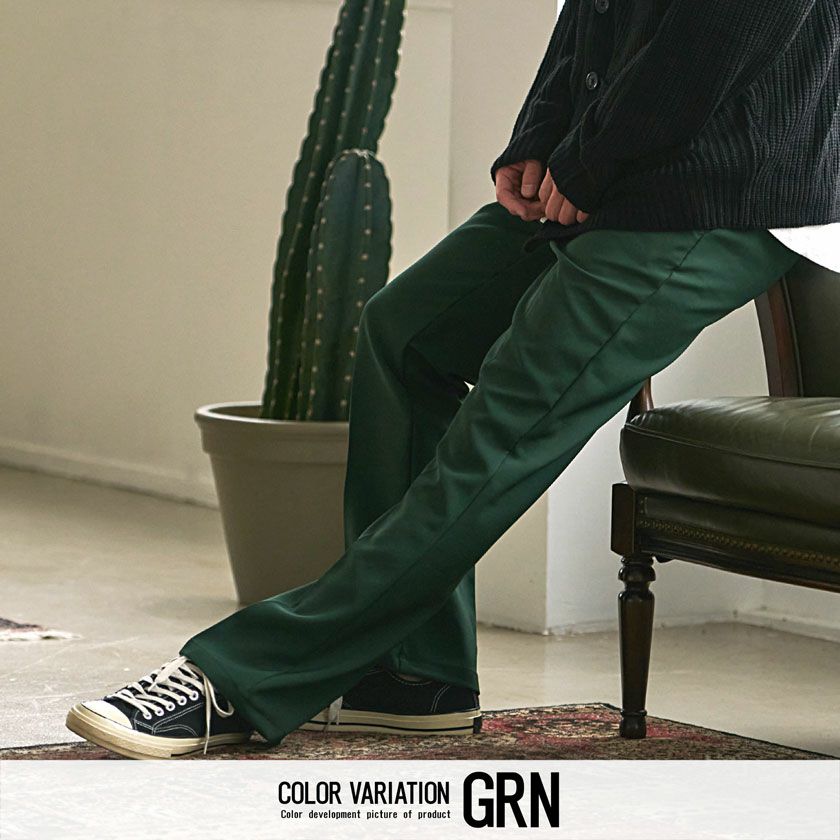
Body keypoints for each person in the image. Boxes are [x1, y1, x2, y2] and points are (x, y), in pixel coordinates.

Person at [66, 0, 839, 759]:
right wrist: (542, 134)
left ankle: (242, 676)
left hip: (723, 189)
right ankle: (414, 677)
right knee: (406, 333)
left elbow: (726, 29)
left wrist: (591, 159)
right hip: (622, 164)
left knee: (506, 426)